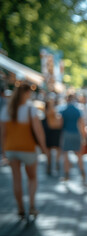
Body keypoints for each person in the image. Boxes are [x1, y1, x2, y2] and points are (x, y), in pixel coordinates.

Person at [0, 82, 48, 218]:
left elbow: (2, 133)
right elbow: (39, 131)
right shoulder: (30, 109)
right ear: (27, 93)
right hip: (28, 148)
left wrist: (3, 151)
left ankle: (20, 208)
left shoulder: (6, 110)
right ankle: (32, 206)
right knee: (32, 178)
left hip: (11, 148)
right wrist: (44, 148)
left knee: (16, 179)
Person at [60, 94, 86, 182]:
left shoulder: (64, 110)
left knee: (66, 155)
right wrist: (84, 137)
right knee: (79, 155)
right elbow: (82, 124)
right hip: (76, 133)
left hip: (66, 133)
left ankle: (67, 175)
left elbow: (60, 124)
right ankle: (83, 174)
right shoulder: (77, 110)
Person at [42, 99, 62, 175]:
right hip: (51, 132)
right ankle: (51, 165)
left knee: (54, 150)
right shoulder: (50, 111)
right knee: (50, 150)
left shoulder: (51, 111)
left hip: (54, 132)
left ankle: (52, 165)